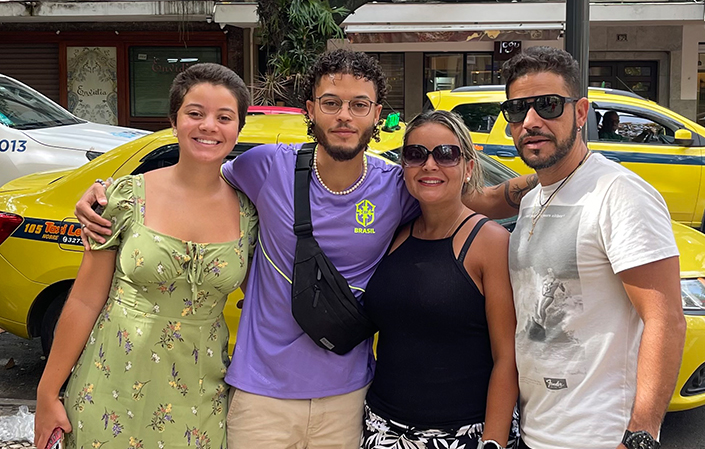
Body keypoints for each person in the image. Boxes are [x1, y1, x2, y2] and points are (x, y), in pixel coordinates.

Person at [76, 49, 533, 448]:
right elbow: (192, 182)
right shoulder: (262, 166)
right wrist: (106, 190)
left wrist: (551, 178)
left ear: (378, 115)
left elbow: (467, 198)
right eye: (331, 103)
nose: (344, 117)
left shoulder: (397, 185)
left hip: (349, 395)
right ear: (311, 110)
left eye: (359, 105)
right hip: (261, 395)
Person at [35, 63, 258, 449]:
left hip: (200, 396)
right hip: (110, 385)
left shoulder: (249, 212)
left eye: (224, 117)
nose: (209, 126)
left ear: (238, 128)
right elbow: (86, 300)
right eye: (195, 113)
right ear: (174, 121)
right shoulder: (123, 197)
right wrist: (47, 392)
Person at [501, 46, 685, 449]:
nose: (531, 121)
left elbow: (666, 320)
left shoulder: (620, 193)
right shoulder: (535, 196)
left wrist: (639, 435)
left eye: (548, 105)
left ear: (581, 113)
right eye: (517, 110)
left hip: (599, 435)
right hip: (536, 428)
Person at [361, 111, 518, 449]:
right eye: (416, 154)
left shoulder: (489, 242)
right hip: (383, 429)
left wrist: (493, 441)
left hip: (464, 434)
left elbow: (507, 358)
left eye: (446, 154)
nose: (429, 165)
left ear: (469, 167)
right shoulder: (394, 234)